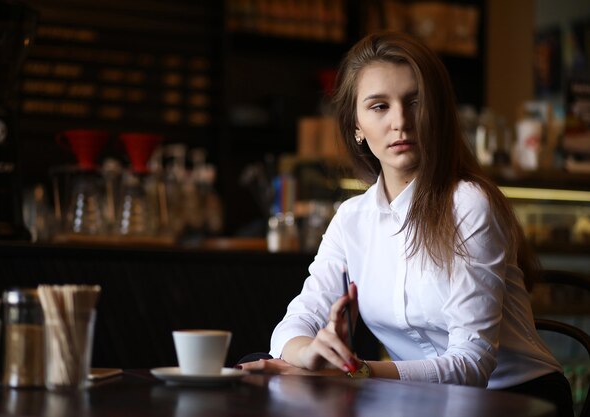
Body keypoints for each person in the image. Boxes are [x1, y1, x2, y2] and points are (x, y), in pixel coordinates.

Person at [238, 31, 574, 417]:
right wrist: (307, 355)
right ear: (356, 127)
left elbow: (471, 365)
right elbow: (296, 320)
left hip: (516, 399)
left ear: (438, 113)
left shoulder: (467, 203)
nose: (400, 121)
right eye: (379, 106)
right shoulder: (352, 219)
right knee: (257, 362)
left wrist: (353, 372)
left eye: (414, 102)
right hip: (423, 400)